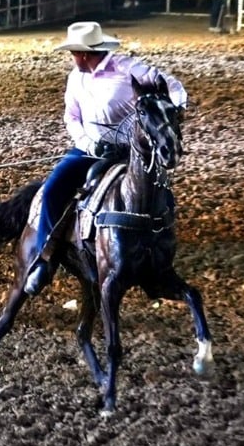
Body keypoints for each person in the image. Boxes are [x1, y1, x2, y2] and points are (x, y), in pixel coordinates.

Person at [23, 22, 188, 295]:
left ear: (85, 53)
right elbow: (72, 117)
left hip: (131, 152)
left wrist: (176, 110)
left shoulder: (129, 69)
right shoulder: (75, 78)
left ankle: (161, 244)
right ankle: (44, 259)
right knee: (53, 189)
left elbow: (173, 86)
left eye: (74, 53)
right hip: (90, 150)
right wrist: (89, 143)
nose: (72, 58)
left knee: (161, 192)